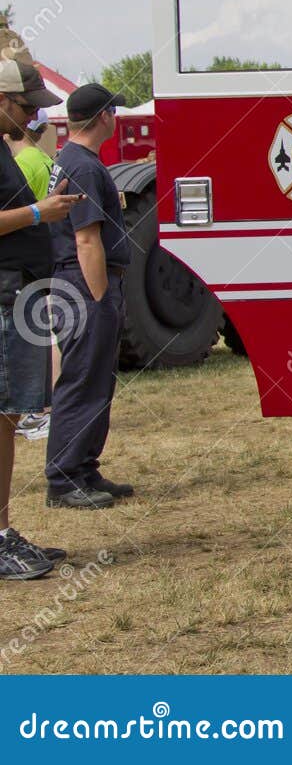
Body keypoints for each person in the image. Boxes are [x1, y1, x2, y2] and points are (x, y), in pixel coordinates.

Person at [0, 59, 83, 578]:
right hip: (4, 296)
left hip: (15, 293)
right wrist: (38, 213)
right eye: (25, 105)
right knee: (3, 417)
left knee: (8, 418)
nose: (32, 115)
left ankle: (4, 531)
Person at [44, 84, 135, 510]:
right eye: (113, 112)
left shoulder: (72, 158)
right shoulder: (82, 164)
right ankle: (64, 480)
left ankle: (83, 468)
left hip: (77, 283)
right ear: (104, 117)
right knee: (83, 381)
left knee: (95, 381)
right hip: (85, 285)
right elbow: (86, 239)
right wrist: (100, 298)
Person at [9, 109, 57, 442]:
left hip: (21, 264)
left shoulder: (22, 163)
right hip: (43, 257)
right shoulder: (44, 159)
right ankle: (42, 409)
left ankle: (35, 413)